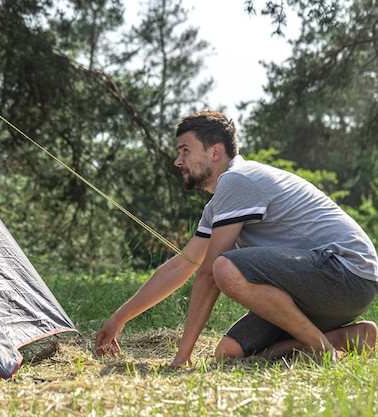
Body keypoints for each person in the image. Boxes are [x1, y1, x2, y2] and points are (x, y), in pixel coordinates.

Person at [95, 110, 378, 365]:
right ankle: (340, 339)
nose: (177, 160)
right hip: (317, 292)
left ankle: (321, 350)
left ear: (215, 152)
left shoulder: (237, 180)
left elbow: (208, 273)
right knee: (228, 352)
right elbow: (182, 265)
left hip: (346, 274)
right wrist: (120, 318)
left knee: (223, 267)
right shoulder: (218, 205)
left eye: (185, 150)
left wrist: (182, 356)